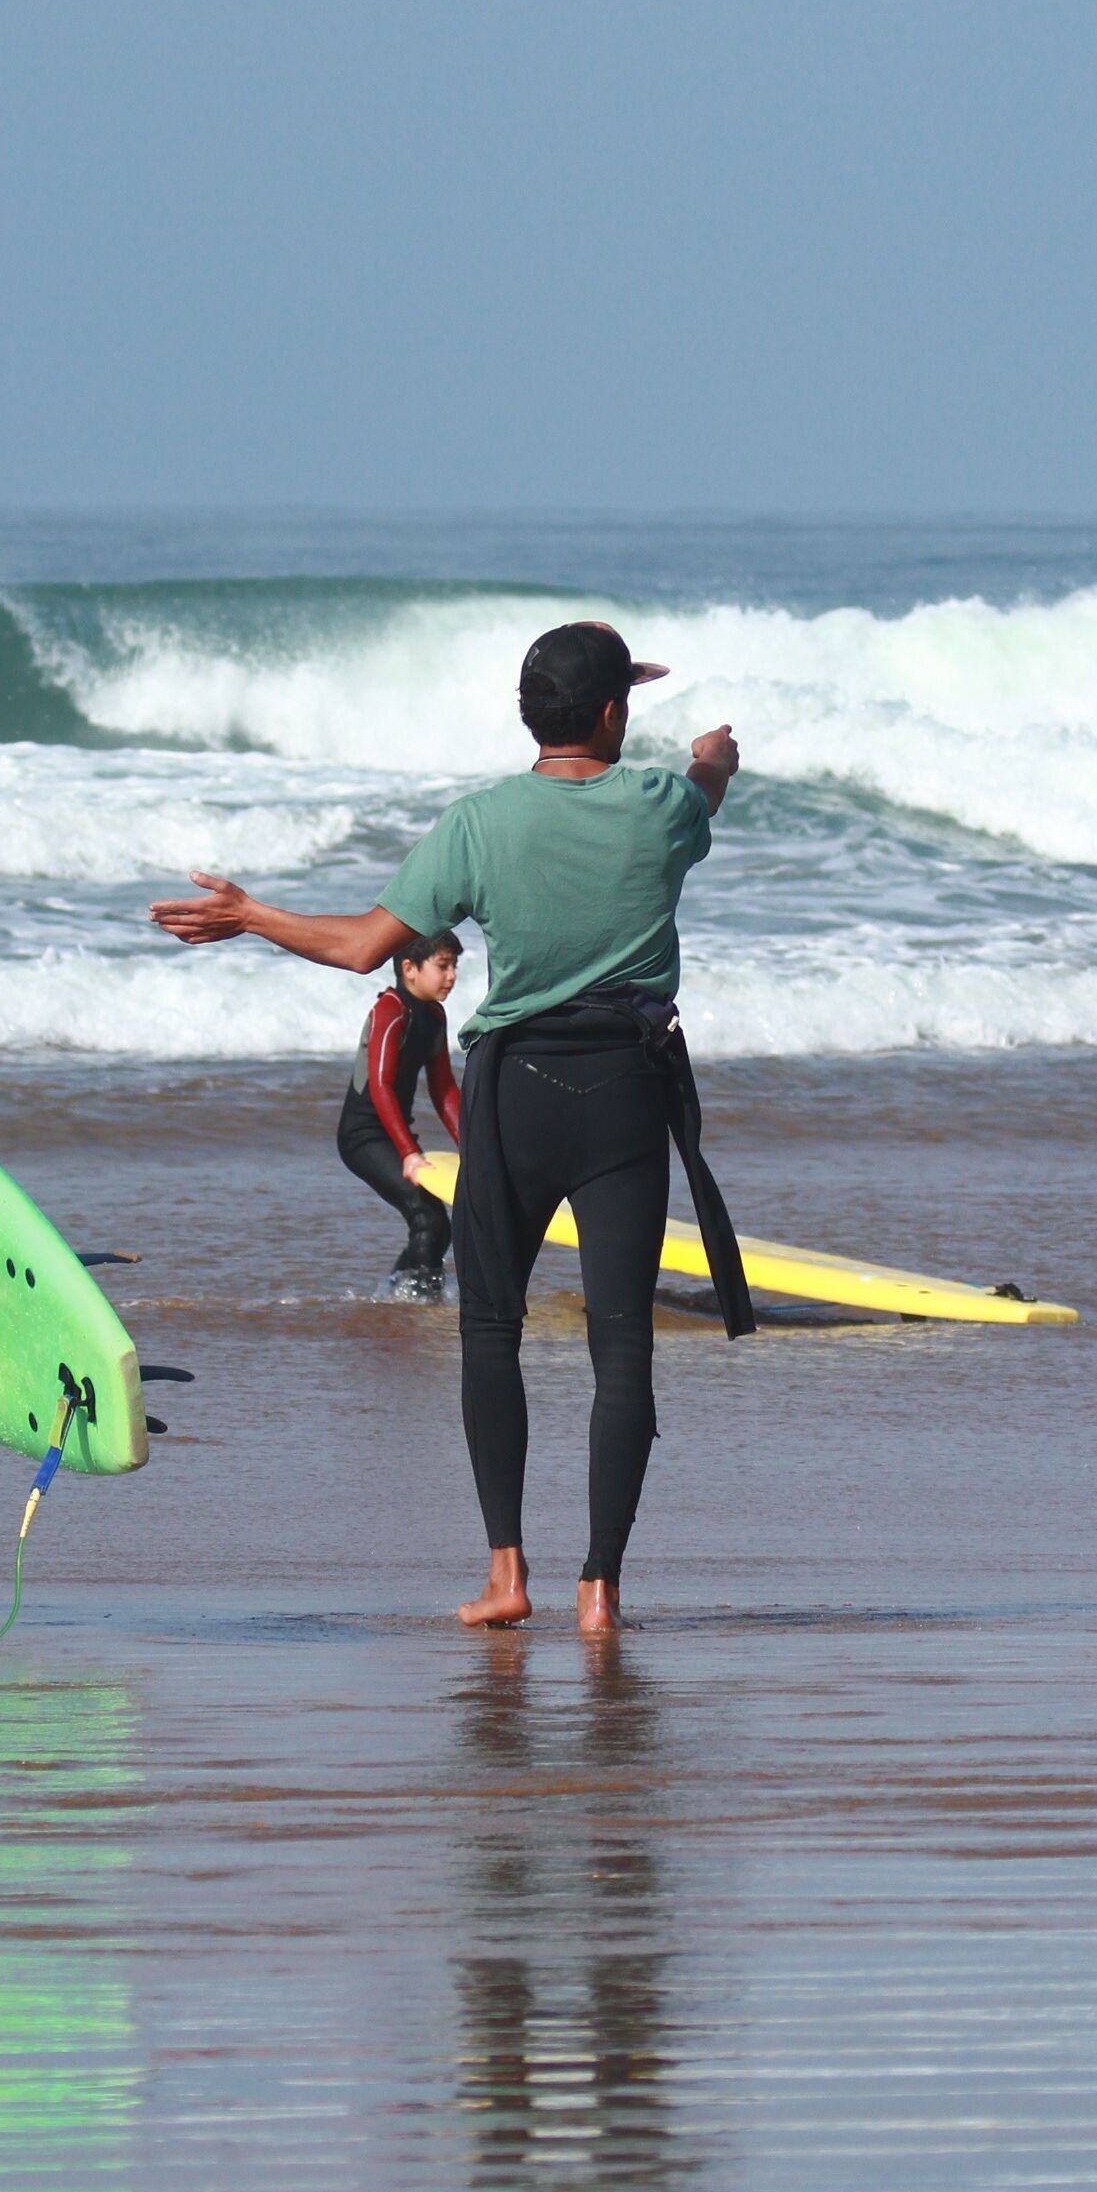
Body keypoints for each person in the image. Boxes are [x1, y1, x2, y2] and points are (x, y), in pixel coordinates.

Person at [152, 620, 750, 1633]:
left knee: (489, 1329)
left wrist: (252, 914)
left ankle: (507, 1576)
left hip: (516, 1094)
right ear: (615, 712)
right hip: (625, 1091)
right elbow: (706, 779)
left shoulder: (476, 825)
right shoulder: (659, 805)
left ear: (530, 714)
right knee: (621, 1349)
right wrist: (711, 749)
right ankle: (600, 1588)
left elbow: (358, 948)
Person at [338, 927, 464, 1295]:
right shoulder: (389, 1010)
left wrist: (470, 1145)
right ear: (410, 968)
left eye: (454, 966)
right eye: (442, 966)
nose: (452, 976)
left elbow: (443, 1089)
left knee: (437, 1226)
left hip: (395, 1134)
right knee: (427, 1218)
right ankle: (420, 1305)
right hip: (362, 1138)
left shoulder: (434, 1017)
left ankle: (400, 1297)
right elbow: (381, 1085)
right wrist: (408, 1152)